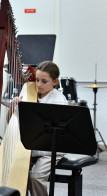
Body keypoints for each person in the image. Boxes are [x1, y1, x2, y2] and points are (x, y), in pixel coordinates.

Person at [12, 61, 68, 196]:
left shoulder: (58, 101)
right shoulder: (30, 92)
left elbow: (55, 132)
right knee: (14, 170)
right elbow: (13, 120)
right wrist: (15, 105)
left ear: (55, 82)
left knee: (35, 177)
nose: (39, 85)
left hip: (50, 147)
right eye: (37, 80)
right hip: (33, 144)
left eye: (44, 81)